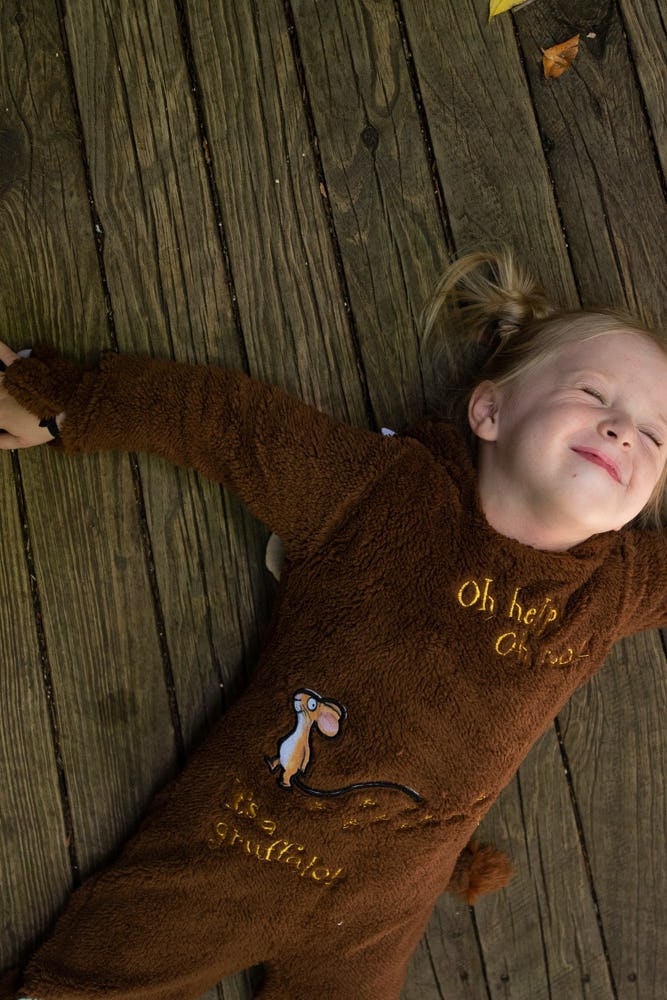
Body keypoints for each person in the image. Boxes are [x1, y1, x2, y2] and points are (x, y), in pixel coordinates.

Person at [1, 250, 666, 1000]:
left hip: (380, 912)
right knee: (87, 981)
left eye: (653, 436)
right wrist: (73, 403)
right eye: (592, 394)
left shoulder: (611, 588)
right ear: (490, 411)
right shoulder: (382, 496)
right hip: (235, 844)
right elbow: (232, 426)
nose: (621, 433)